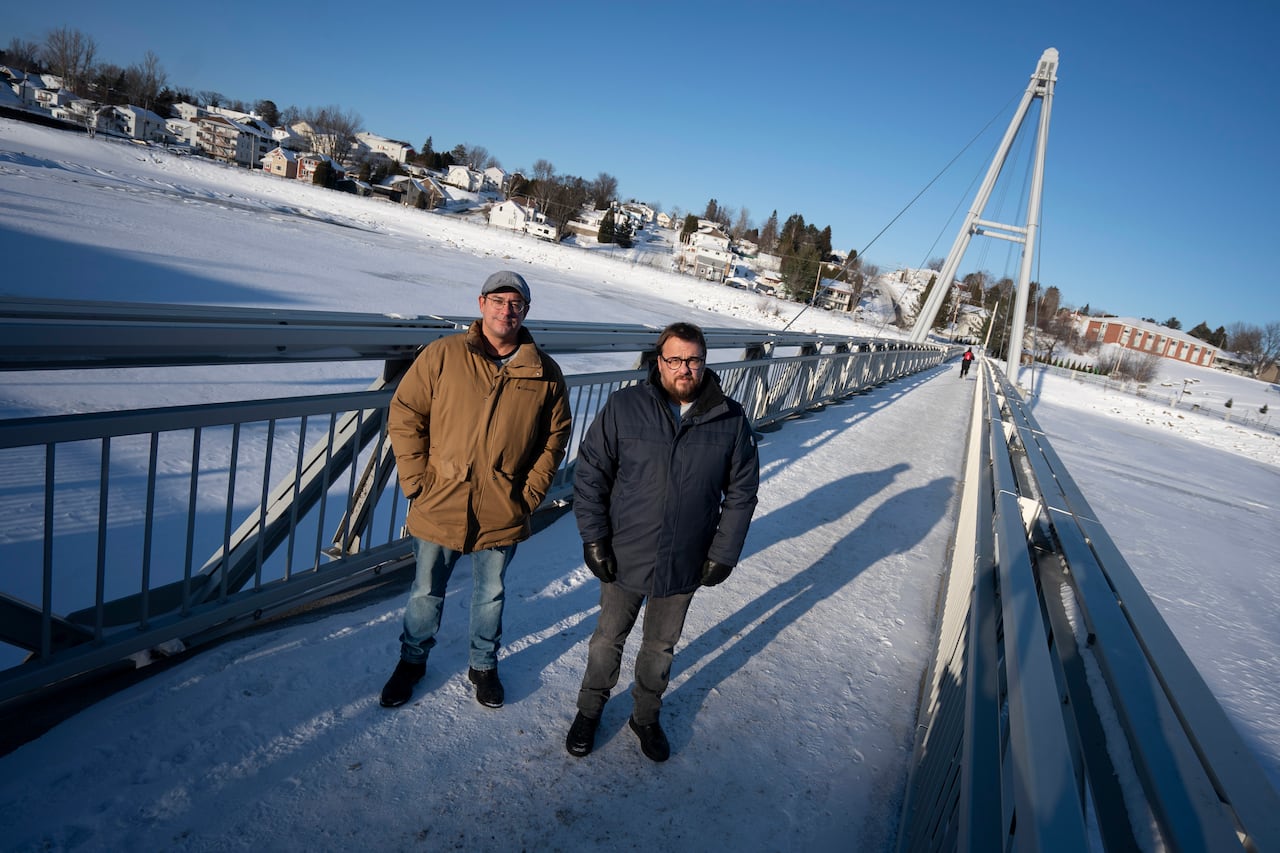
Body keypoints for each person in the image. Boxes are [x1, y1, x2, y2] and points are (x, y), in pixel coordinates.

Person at [565, 322, 760, 761]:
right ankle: (590, 710)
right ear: (660, 362)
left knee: (660, 648)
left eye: (693, 360)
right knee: (606, 639)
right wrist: (594, 538)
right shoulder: (625, 406)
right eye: (674, 359)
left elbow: (742, 492)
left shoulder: (730, 418)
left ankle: (645, 716)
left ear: (705, 363)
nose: (684, 369)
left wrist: (723, 553)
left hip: (684, 558)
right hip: (624, 553)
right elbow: (591, 473)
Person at [380, 270, 572, 710]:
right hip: (439, 498)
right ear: (481, 303)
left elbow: (554, 437)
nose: (507, 310)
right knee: (425, 589)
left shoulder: (544, 372)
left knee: (491, 593)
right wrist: (415, 481)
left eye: (516, 303)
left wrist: (529, 494)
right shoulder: (443, 355)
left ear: (526, 311)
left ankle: (483, 665)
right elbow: (406, 413)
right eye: (499, 300)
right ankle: (411, 662)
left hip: (503, 505)